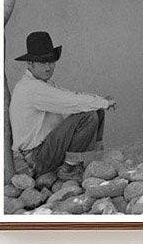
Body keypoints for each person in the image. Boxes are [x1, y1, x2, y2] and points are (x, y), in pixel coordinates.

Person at [9, 30, 115, 178]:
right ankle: (68, 169)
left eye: (51, 61)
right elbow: (71, 102)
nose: (48, 67)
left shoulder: (43, 84)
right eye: (42, 62)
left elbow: (72, 96)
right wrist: (103, 102)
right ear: (30, 64)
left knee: (97, 110)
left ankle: (92, 161)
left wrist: (100, 100)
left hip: (47, 149)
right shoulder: (31, 88)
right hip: (37, 157)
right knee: (89, 115)